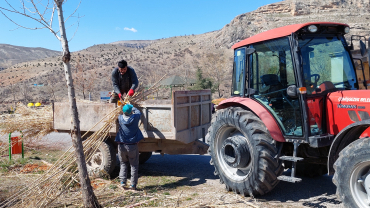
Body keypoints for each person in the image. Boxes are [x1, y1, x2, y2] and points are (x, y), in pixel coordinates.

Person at [115, 104, 144, 190]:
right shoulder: (135, 118)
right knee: (134, 165)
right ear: (131, 111)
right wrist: (132, 106)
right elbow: (139, 112)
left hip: (121, 145)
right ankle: (133, 185)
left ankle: (123, 182)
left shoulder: (120, 118)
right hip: (131, 146)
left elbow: (119, 114)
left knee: (123, 163)